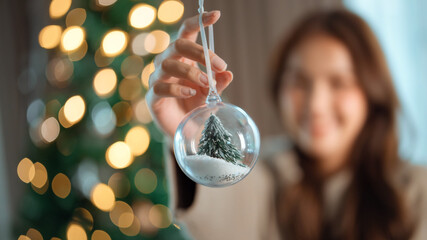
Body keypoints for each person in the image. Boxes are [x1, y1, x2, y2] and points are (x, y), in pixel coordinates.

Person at [145, 9, 427, 240]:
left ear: (372, 92)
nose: (315, 105)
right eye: (299, 82)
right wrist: (194, 133)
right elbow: (227, 224)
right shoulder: (265, 175)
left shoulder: (417, 191)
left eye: (339, 83)